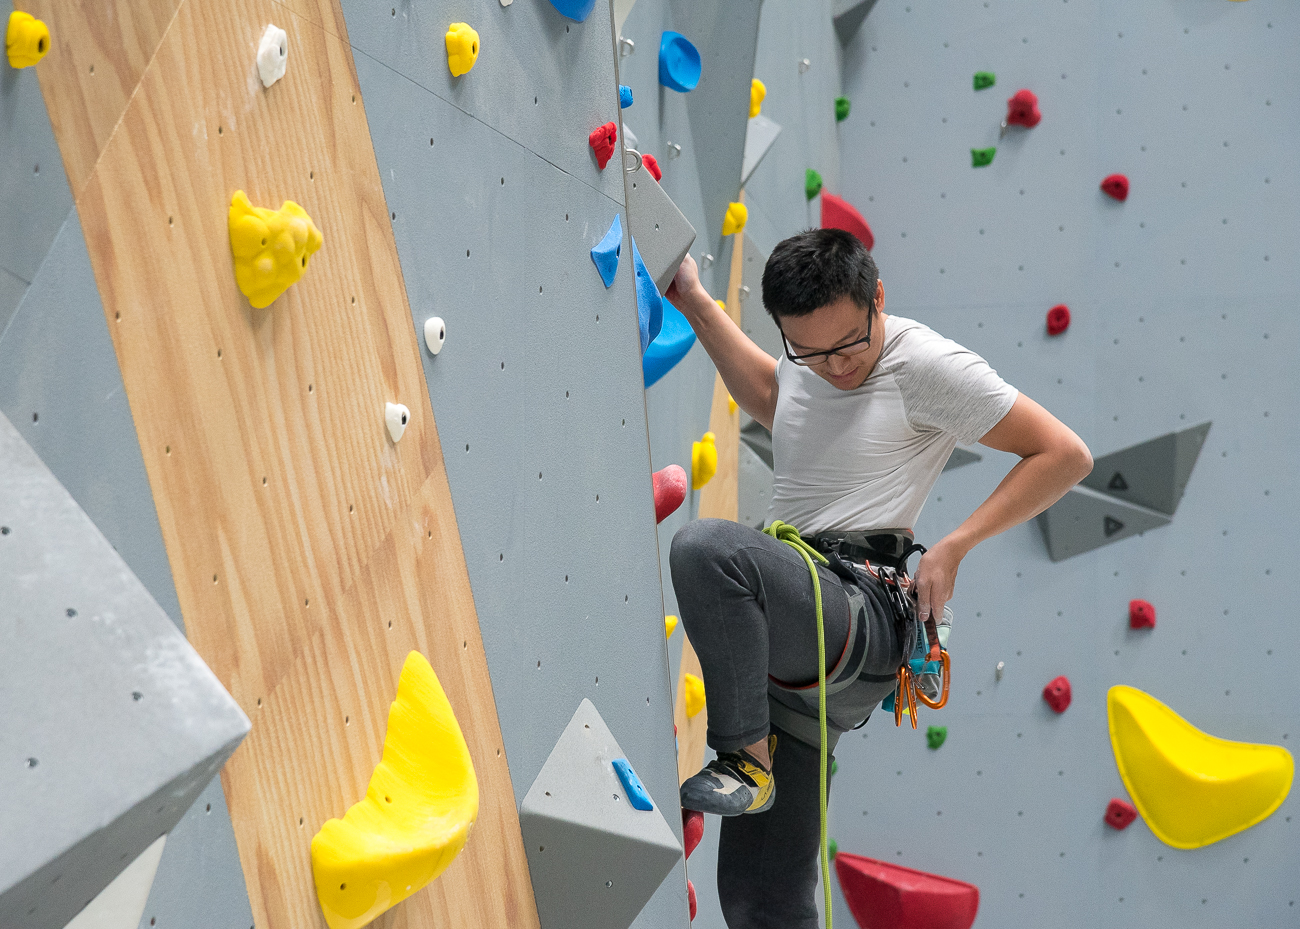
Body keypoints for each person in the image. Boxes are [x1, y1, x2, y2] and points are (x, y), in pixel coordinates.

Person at [663, 229, 1093, 929]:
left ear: (878, 299)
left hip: (857, 611)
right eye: (811, 350)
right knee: (757, 901)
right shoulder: (809, 358)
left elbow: (1064, 452)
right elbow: (780, 400)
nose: (833, 366)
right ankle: (757, 760)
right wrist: (696, 302)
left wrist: (955, 545)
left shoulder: (923, 364)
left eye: (849, 345)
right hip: (791, 632)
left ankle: (744, 760)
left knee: (708, 551)